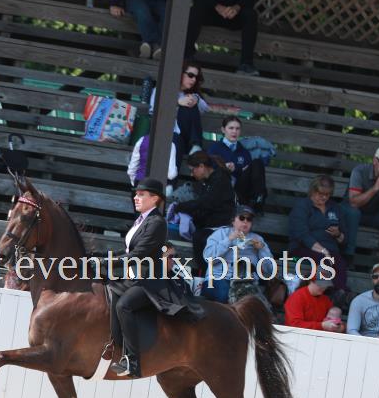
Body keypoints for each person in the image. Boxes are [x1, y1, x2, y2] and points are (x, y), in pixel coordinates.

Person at [108, 178, 199, 378]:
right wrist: (102, 258)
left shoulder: (157, 222)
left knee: (124, 305)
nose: (136, 197)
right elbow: (128, 251)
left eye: (141, 194)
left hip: (151, 281)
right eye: (136, 194)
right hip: (134, 278)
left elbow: (139, 254)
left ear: (154, 198)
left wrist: (107, 263)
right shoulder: (141, 220)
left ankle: (132, 361)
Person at [342, 146, 379, 273]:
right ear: (375, 161)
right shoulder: (359, 171)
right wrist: (375, 188)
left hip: (374, 214)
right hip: (352, 213)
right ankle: (347, 257)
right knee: (353, 213)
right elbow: (353, 202)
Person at [177, 152, 236, 276]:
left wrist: (181, 207)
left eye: (193, 170)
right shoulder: (208, 181)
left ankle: (206, 274)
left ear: (202, 166)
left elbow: (205, 203)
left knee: (200, 237)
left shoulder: (220, 180)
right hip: (211, 223)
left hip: (221, 225)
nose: (191, 174)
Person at [288, 175, 349, 292]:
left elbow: (344, 239)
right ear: (313, 190)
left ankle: (339, 293)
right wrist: (323, 251)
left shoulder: (335, 208)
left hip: (331, 251)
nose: (324, 197)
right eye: (321, 193)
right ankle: (327, 293)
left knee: (341, 264)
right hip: (300, 251)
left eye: (328, 194)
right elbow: (302, 235)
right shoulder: (302, 206)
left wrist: (338, 235)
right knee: (324, 261)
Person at [201, 204, 272, 303]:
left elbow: (269, 270)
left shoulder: (257, 239)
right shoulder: (221, 234)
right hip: (219, 278)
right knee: (225, 295)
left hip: (247, 282)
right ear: (233, 220)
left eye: (249, 219)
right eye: (242, 218)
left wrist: (262, 250)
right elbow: (208, 258)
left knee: (255, 304)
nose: (245, 221)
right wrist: (229, 239)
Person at [150, 62, 208, 164]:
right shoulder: (162, 89)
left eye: (196, 77)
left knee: (191, 103)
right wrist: (177, 103)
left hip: (185, 138)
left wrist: (196, 99)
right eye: (191, 75)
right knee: (175, 141)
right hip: (165, 135)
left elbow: (205, 109)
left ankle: (196, 146)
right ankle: (195, 146)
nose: (194, 80)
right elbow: (154, 109)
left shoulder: (191, 95)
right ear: (180, 73)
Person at [207, 116, 265, 208]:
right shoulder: (215, 148)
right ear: (223, 130)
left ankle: (257, 200)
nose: (234, 131)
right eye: (231, 128)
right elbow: (208, 169)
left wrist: (236, 168)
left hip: (240, 190)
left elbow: (247, 173)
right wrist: (224, 167)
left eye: (237, 129)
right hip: (221, 187)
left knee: (257, 162)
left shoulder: (244, 152)